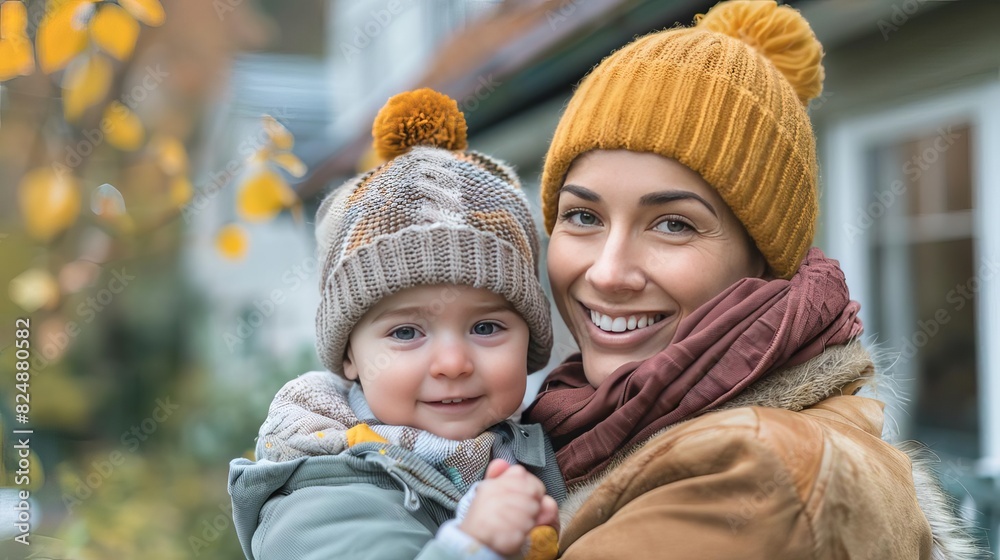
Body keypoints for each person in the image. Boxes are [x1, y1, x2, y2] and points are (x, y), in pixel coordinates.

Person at [521, 1, 982, 558]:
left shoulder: (756, 473)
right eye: (584, 216)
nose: (608, 272)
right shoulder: (591, 421)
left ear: (764, 260)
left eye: (673, 224)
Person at [229, 88, 565, 560]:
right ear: (349, 355)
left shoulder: (534, 444)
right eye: (406, 333)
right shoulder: (318, 491)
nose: (452, 363)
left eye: (486, 328)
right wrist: (475, 547)